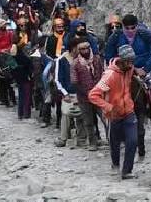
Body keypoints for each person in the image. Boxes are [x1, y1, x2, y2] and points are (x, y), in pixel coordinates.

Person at [89, 45, 139, 179]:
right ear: (121, 60)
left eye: (132, 61)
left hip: (129, 111)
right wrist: (108, 107)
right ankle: (115, 164)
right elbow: (93, 95)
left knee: (133, 141)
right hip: (113, 115)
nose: (131, 65)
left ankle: (127, 171)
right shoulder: (109, 76)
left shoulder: (130, 69)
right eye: (128, 61)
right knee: (114, 143)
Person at [73, 39, 104, 150]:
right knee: (88, 121)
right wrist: (87, 92)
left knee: (106, 118)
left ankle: (112, 140)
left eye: (87, 48)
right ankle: (92, 142)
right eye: (82, 49)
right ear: (79, 50)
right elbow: (74, 82)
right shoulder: (75, 63)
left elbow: (102, 74)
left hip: (99, 95)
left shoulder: (97, 59)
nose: (85, 51)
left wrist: (100, 90)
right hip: (84, 98)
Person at [55, 38, 85, 147]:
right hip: (68, 93)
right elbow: (58, 80)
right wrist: (65, 93)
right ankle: (63, 138)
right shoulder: (61, 60)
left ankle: (81, 138)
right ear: (73, 48)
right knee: (66, 114)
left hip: (81, 93)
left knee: (82, 115)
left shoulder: (82, 59)